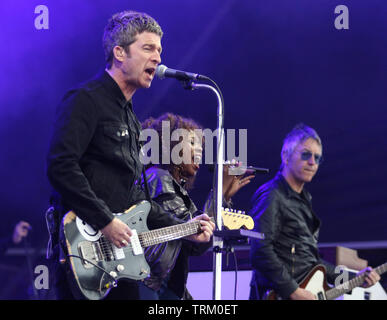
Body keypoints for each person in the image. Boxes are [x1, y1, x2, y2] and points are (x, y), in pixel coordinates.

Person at [46, 10, 214, 300]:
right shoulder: (86, 99)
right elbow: (61, 166)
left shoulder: (131, 120)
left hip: (118, 260)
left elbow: (140, 201)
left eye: (160, 50)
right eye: (148, 48)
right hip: (82, 254)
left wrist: (184, 229)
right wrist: (105, 221)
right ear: (119, 52)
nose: (158, 58)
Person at [249, 123, 380, 300]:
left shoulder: (304, 199)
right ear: (286, 156)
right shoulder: (271, 195)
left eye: (317, 158)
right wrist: (292, 291)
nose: (312, 162)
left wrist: (354, 278)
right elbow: (260, 250)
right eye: (306, 155)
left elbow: (312, 264)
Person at [139, 113, 255, 299]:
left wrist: (222, 196)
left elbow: (198, 243)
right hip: (152, 287)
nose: (200, 150)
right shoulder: (159, 178)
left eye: (201, 145)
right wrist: (218, 191)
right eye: (192, 143)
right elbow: (190, 232)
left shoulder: (174, 186)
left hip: (167, 287)